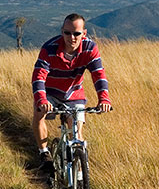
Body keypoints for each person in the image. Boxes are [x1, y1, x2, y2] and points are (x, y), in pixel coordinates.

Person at [31, 13, 112, 172]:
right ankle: (44, 153)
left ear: (84, 33)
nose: (72, 37)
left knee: (77, 135)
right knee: (39, 114)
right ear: (62, 32)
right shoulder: (49, 48)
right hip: (50, 93)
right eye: (67, 33)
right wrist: (41, 100)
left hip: (73, 94)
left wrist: (104, 99)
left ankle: (78, 176)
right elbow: (38, 77)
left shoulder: (90, 48)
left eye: (76, 33)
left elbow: (98, 75)